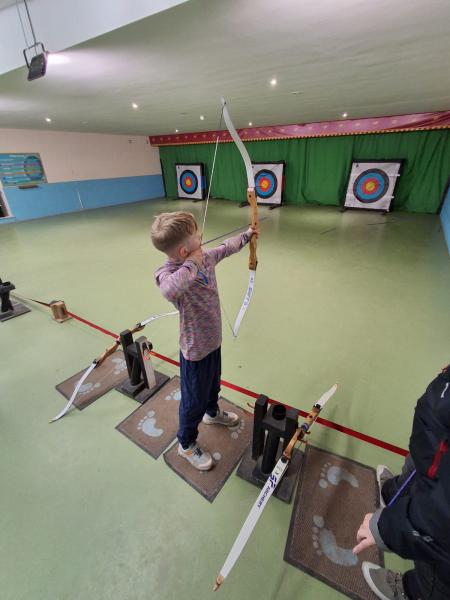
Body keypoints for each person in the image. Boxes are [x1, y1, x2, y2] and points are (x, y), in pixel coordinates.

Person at [151, 211, 257, 471]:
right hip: (195, 350)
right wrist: (192, 264)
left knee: (212, 384)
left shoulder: (205, 257)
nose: (201, 237)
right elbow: (169, 290)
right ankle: (186, 444)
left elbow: (225, 248)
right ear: (183, 250)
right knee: (192, 401)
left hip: (213, 341)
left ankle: (212, 412)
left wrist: (246, 236)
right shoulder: (168, 273)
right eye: (196, 236)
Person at [353, 365, 450, 600]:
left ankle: (413, 591)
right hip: (435, 449)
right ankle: (394, 493)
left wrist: (386, 528)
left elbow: (440, 516)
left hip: (438, 526)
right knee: (417, 469)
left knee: (436, 574)